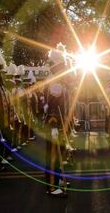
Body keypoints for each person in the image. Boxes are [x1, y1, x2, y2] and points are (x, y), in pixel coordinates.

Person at [44, 44, 68, 197]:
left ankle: (56, 179)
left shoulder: (56, 81)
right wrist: (55, 125)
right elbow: (53, 108)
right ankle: (51, 186)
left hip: (57, 123)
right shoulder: (56, 83)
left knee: (56, 154)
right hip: (54, 124)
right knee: (53, 154)